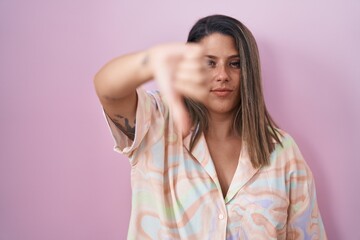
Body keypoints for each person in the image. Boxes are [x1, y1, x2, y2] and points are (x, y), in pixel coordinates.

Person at [94, 14, 327, 240]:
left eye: (235, 64)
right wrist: (150, 61)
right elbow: (108, 91)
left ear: (249, 71)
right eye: (210, 63)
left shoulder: (282, 151)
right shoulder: (156, 122)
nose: (222, 75)